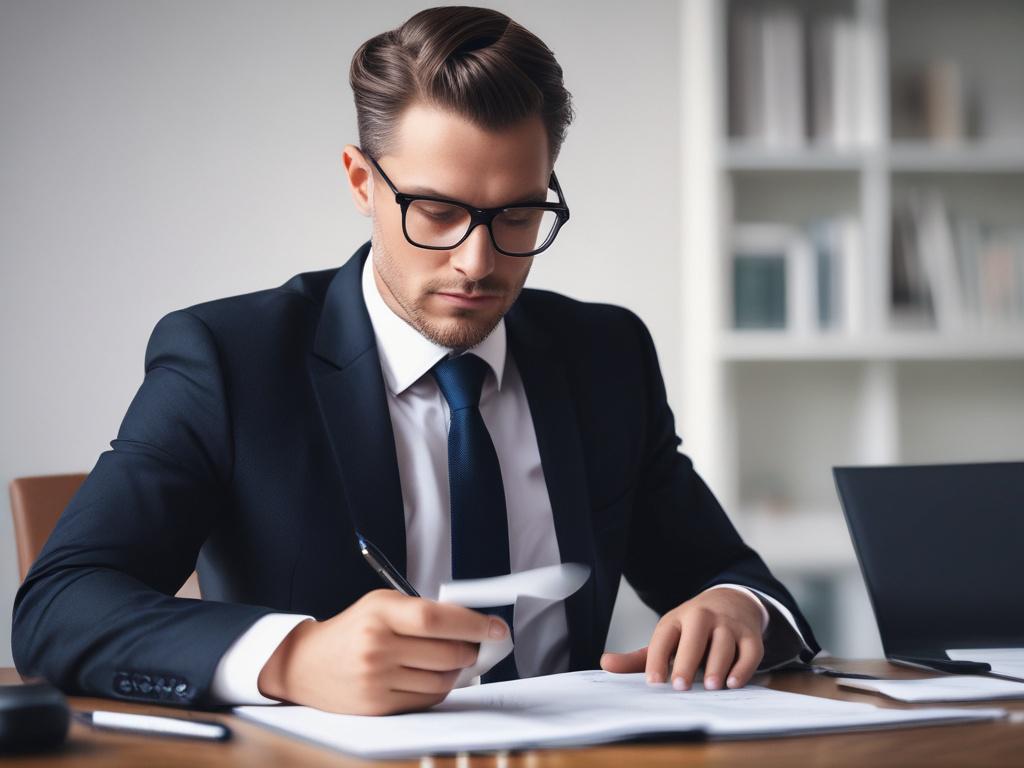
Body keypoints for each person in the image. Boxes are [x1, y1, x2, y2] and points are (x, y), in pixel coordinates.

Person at [12, 6, 818, 716]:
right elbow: (60, 606)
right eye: (437, 211)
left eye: (519, 215)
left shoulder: (605, 357)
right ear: (362, 182)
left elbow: (740, 583)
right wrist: (293, 659)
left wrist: (736, 607)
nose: (477, 261)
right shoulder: (229, 361)